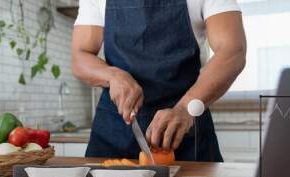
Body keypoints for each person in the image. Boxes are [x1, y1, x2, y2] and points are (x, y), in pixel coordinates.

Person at [71, 0, 246, 161]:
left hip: (185, 128)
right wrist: (112, 75)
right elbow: (80, 56)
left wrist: (185, 108)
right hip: (113, 130)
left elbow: (232, 51)